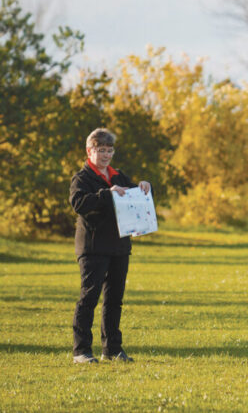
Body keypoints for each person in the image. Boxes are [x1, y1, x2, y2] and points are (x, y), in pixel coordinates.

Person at [69, 128, 151, 364]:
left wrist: (145, 186)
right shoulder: (82, 178)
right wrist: (107, 194)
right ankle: (81, 351)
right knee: (89, 298)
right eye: (100, 150)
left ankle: (112, 350)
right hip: (92, 247)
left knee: (114, 299)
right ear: (89, 151)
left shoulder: (118, 175)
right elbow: (79, 204)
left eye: (109, 150)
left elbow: (136, 195)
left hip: (119, 246)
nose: (105, 155)